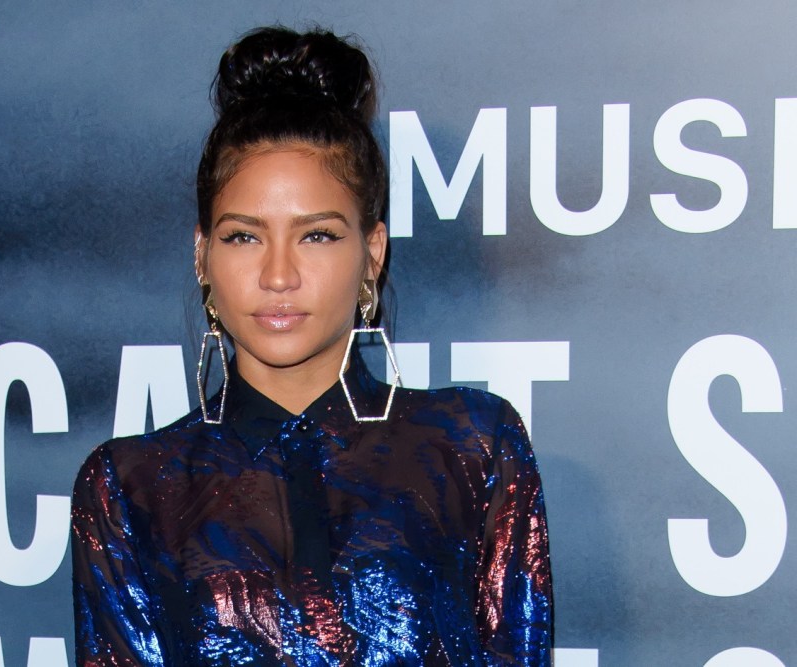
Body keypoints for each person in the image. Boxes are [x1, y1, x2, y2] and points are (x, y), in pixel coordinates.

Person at [71, 26, 553, 666]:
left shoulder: (471, 445)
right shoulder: (130, 486)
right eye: (244, 236)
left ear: (371, 252)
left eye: (317, 236)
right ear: (202, 255)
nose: (278, 275)